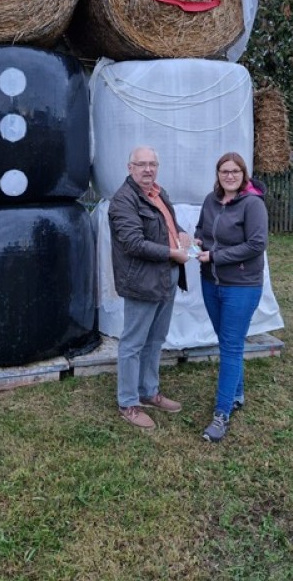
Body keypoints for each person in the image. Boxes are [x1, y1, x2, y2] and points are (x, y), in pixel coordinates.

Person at [108, 146, 190, 429]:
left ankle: (149, 391)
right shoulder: (123, 200)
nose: (148, 169)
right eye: (141, 164)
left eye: (152, 164)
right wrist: (172, 253)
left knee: (155, 339)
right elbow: (133, 243)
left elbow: (168, 224)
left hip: (165, 276)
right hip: (142, 280)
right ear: (129, 167)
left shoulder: (158, 192)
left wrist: (179, 234)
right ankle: (128, 403)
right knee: (132, 343)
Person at [194, 151, 268, 442]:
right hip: (211, 283)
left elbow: (257, 244)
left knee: (231, 347)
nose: (229, 176)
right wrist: (197, 240)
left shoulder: (253, 204)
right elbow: (202, 228)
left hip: (242, 285)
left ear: (243, 174)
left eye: (235, 171)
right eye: (224, 171)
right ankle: (237, 394)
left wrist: (215, 256)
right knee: (228, 342)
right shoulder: (211, 200)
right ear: (218, 174)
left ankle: (221, 414)